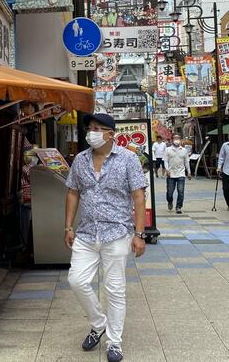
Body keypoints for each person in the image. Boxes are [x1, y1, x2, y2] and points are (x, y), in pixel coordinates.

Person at [64, 113, 147, 362]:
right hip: (87, 232)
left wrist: (139, 234)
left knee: (115, 289)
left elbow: (139, 196)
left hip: (117, 232)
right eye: (90, 128)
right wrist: (68, 226)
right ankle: (99, 323)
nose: (92, 133)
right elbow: (72, 193)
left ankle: (114, 342)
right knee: (76, 280)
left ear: (111, 134)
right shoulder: (80, 160)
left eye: (97, 129)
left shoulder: (128, 159)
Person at [164, 133, 191, 213]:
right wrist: (167, 170)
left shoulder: (184, 150)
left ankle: (178, 206)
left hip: (181, 174)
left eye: (178, 138)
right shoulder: (168, 150)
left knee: (181, 191)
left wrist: (189, 172)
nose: (177, 140)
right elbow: (165, 161)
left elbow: (187, 162)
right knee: (169, 192)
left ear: (181, 140)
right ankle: (170, 201)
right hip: (171, 174)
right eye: (175, 138)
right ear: (172, 140)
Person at [217, 138, 229, 210]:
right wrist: (219, 167)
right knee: (226, 189)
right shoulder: (225, 145)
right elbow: (221, 157)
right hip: (226, 170)